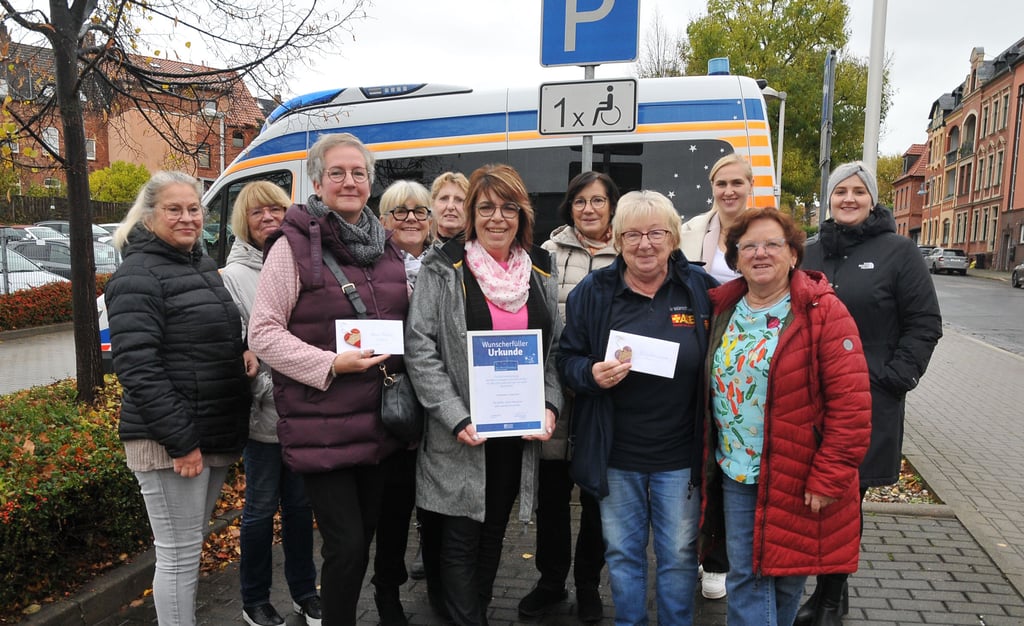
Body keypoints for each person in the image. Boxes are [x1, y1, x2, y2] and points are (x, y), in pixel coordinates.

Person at [247, 132, 408, 626]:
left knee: (364, 543)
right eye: (337, 173)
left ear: (370, 182)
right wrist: (327, 364)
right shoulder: (292, 246)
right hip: (324, 427)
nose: (349, 181)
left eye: (358, 173)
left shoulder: (387, 247)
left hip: (379, 423)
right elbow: (263, 332)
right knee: (347, 547)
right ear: (316, 181)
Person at [405, 163, 562, 626]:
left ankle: (472, 611)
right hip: (459, 434)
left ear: (522, 214)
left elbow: (552, 352)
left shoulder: (539, 272)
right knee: (459, 536)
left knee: (492, 532)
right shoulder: (443, 268)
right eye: (487, 207)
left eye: (508, 207)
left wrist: (549, 405)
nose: (498, 217)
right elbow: (421, 348)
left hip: (513, 433)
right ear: (472, 213)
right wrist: (455, 416)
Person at [700, 206, 872, 626]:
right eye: (749, 246)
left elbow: (851, 405)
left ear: (794, 254)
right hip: (738, 473)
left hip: (799, 475)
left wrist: (829, 475)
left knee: (786, 578)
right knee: (748, 578)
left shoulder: (822, 312)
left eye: (772, 244)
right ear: (736, 257)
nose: (760, 253)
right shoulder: (722, 309)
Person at [558, 190, 715, 626]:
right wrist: (590, 375)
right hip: (616, 456)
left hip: (680, 457)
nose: (645, 244)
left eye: (656, 233)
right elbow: (566, 359)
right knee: (623, 553)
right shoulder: (594, 292)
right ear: (617, 239)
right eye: (632, 234)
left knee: (679, 555)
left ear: (673, 237)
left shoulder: (699, 289)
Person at [798, 162, 942, 625]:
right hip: (808, 399)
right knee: (811, 495)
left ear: (873, 199)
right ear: (829, 197)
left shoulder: (900, 252)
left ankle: (829, 598)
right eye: (841, 190)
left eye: (860, 191)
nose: (849, 199)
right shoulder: (809, 253)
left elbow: (925, 324)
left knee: (846, 499)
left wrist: (894, 376)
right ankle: (822, 594)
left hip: (868, 401)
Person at [105, 171, 252, 626]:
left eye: (194, 209)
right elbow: (137, 368)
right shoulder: (137, 275)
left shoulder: (198, 264)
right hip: (173, 442)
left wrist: (242, 351)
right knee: (179, 554)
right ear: (149, 216)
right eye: (175, 209)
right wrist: (181, 442)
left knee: (189, 549)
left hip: (206, 432)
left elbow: (202, 339)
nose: (187, 218)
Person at [520, 171, 620, 622]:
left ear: (612, 206)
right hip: (555, 389)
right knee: (553, 493)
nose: (590, 209)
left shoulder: (630, 251)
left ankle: (587, 583)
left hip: (606, 394)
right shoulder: (546, 253)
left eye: (598, 200)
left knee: (597, 493)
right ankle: (550, 580)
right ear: (569, 206)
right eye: (581, 201)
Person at [221, 181, 321, 626]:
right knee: (260, 513)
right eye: (257, 212)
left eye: (276, 210)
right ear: (244, 221)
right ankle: (254, 599)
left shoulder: (304, 262)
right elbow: (237, 348)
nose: (269, 219)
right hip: (265, 419)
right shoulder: (231, 278)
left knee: (301, 511)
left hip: (304, 413)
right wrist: (269, 387)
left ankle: (304, 592)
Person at [679, 152, 755, 600]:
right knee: (701, 459)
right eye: (721, 183)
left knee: (731, 459)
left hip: (741, 360)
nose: (729, 191)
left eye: (737, 183)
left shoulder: (764, 231)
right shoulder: (691, 231)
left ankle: (719, 562)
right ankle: (692, 553)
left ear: (750, 186)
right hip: (697, 352)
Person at [370, 179, 435, 626]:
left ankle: (441, 585)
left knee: (433, 510)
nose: (411, 218)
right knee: (393, 509)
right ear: (383, 220)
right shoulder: (371, 265)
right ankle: (387, 592)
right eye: (399, 211)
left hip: (440, 405)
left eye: (419, 211)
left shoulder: (449, 265)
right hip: (391, 402)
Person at [431, 171, 469, 244]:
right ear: (433, 204)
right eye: (444, 198)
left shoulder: (484, 250)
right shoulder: (419, 250)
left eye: (459, 200)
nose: (450, 206)